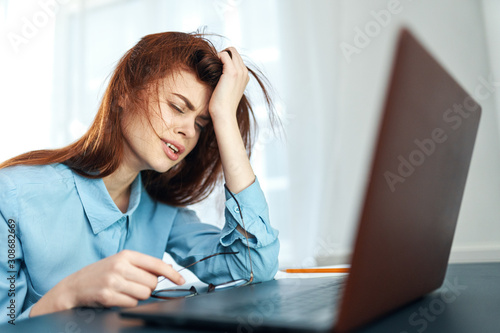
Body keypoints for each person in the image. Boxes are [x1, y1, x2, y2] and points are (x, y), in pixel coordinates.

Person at [0, 31, 279, 324]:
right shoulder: (14, 195)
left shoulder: (164, 212)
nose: (189, 131)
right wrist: (70, 294)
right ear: (125, 93)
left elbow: (254, 264)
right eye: (177, 107)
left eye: (201, 123)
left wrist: (224, 117)